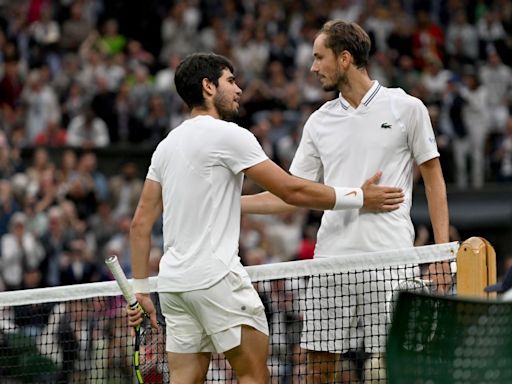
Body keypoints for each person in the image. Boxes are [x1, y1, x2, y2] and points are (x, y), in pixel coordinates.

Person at [125, 52, 404, 384]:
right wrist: (358, 197)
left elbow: (140, 223)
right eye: (231, 81)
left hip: (174, 287)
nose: (239, 89)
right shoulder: (230, 136)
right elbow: (291, 191)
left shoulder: (165, 147)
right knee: (254, 376)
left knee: (185, 378)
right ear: (208, 86)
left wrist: (141, 290)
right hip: (217, 280)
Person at [241, 20, 450, 383]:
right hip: (330, 262)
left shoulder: (406, 107)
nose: (312, 67)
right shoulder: (318, 122)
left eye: (319, 57)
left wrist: (440, 252)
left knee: (397, 368)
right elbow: (292, 195)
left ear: (345, 58)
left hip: (390, 261)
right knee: (318, 368)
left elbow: (433, 178)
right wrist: (232, 204)